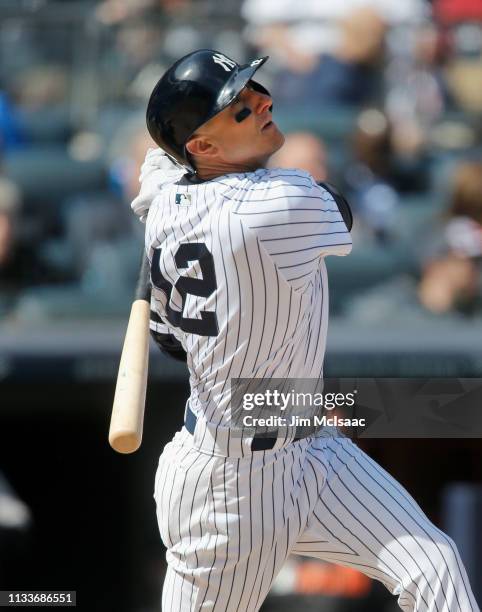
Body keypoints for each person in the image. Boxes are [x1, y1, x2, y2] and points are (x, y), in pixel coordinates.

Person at [131, 49, 479, 611]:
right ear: (203, 146)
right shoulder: (274, 204)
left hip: (309, 442)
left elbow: (169, 340)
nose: (261, 102)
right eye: (238, 109)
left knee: (433, 566)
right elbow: (338, 211)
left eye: (254, 90)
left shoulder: (167, 206)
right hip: (231, 482)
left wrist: (173, 183)